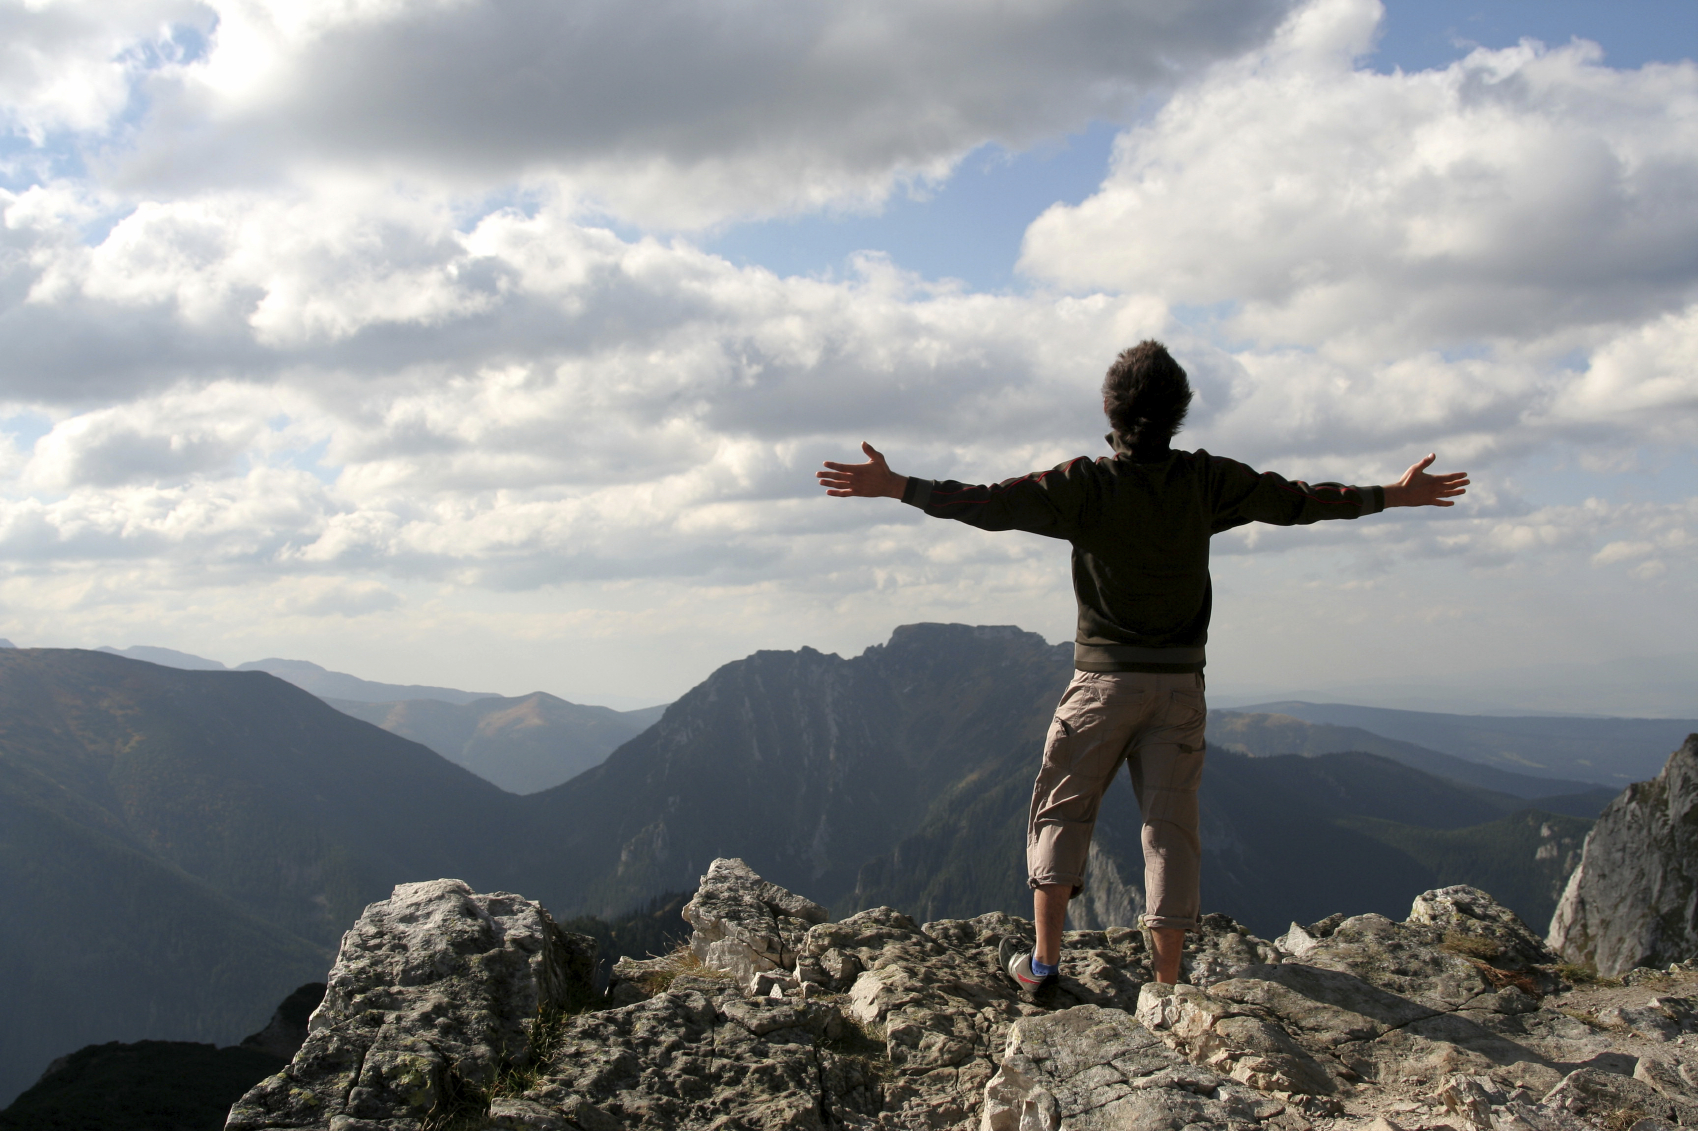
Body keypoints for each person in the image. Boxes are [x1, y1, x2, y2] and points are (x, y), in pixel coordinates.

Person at [815, 340, 1468, 995]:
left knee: (1062, 810)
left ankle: (1043, 966)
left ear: (1111, 408)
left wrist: (899, 485)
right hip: (1182, 687)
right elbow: (1298, 500)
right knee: (1170, 827)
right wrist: (1392, 495)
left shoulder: (1085, 485)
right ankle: (1165, 983)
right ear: (1180, 410)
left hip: (1103, 685)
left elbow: (993, 504)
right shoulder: (1206, 481)